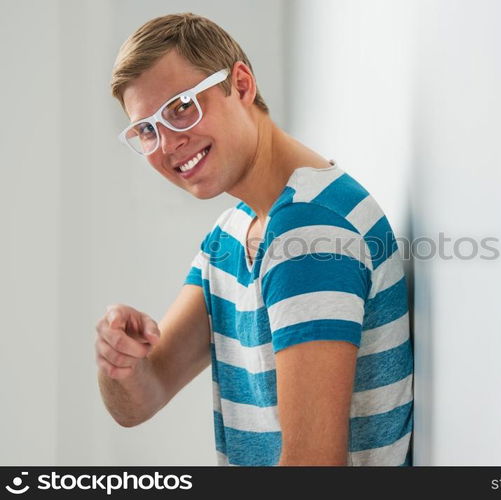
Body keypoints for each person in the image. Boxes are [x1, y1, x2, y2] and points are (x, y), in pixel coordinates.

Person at [94, 12, 413, 466]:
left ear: (241, 85)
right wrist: (120, 363)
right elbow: (141, 400)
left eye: (182, 106)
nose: (168, 144)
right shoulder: (231, 233)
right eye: (147, 129)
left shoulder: (310, 234)